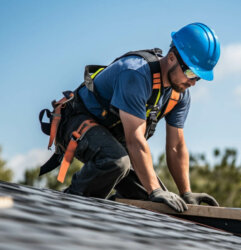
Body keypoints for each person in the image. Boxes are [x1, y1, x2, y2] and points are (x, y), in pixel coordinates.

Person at [39, 23, 221, 213]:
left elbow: (176, 147)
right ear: (172, 57)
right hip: (77, 121)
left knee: (155, 203)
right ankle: (65, 208)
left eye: (198, 78)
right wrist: (156, 189)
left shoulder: (179, 94)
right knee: (116, 162)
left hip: (115, 139)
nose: (192, 82)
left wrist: (186, 193)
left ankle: (109, 219)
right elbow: (135, 140)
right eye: (191, 73)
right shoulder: (136, 73)